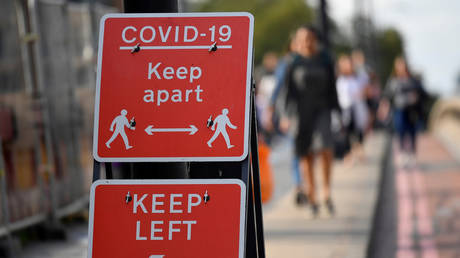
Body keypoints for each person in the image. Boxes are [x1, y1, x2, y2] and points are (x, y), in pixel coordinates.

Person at [281, 25, 340, 216]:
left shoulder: (324, 60)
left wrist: (338, 111)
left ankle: (326, 191)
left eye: (309, 38)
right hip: (300, 112)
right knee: (305, 154)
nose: (306, 42)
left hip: (321, 110)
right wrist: (285, 115)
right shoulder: (293, 62)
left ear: (315, 39)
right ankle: (312, 193)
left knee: (325, 148)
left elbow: (333, 87)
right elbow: (287, 92)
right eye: (302, 38)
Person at [270, 33, 307, 206]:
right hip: (292, 114)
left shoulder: (310, 62)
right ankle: (299, 186)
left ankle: (306, 185)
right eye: (297, 43)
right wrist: (279, 114)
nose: (301, 46)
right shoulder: (285, 63)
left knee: (308, 151)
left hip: (308, 113)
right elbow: (278, 90)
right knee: (296, 151)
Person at [378, 57, 426, 166]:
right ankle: (402, 154)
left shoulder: (413, 80)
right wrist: (383, 108)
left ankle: (412, 154)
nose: (401, 67)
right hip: (399, 110)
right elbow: (387, 96)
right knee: (400, 130)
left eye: (403, 65)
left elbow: (422, 93)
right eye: (399, 65)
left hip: (412, 111)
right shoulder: (393, 81)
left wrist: (416, 97)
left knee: (412, 131)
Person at [336, 55, 368, 164]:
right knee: (346, 133)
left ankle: (359, 150)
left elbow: (366, 90)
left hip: (357, 108)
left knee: (358, 132)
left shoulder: (359, 77)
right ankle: (348, 154)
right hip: (345, 109)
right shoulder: (340, 79)